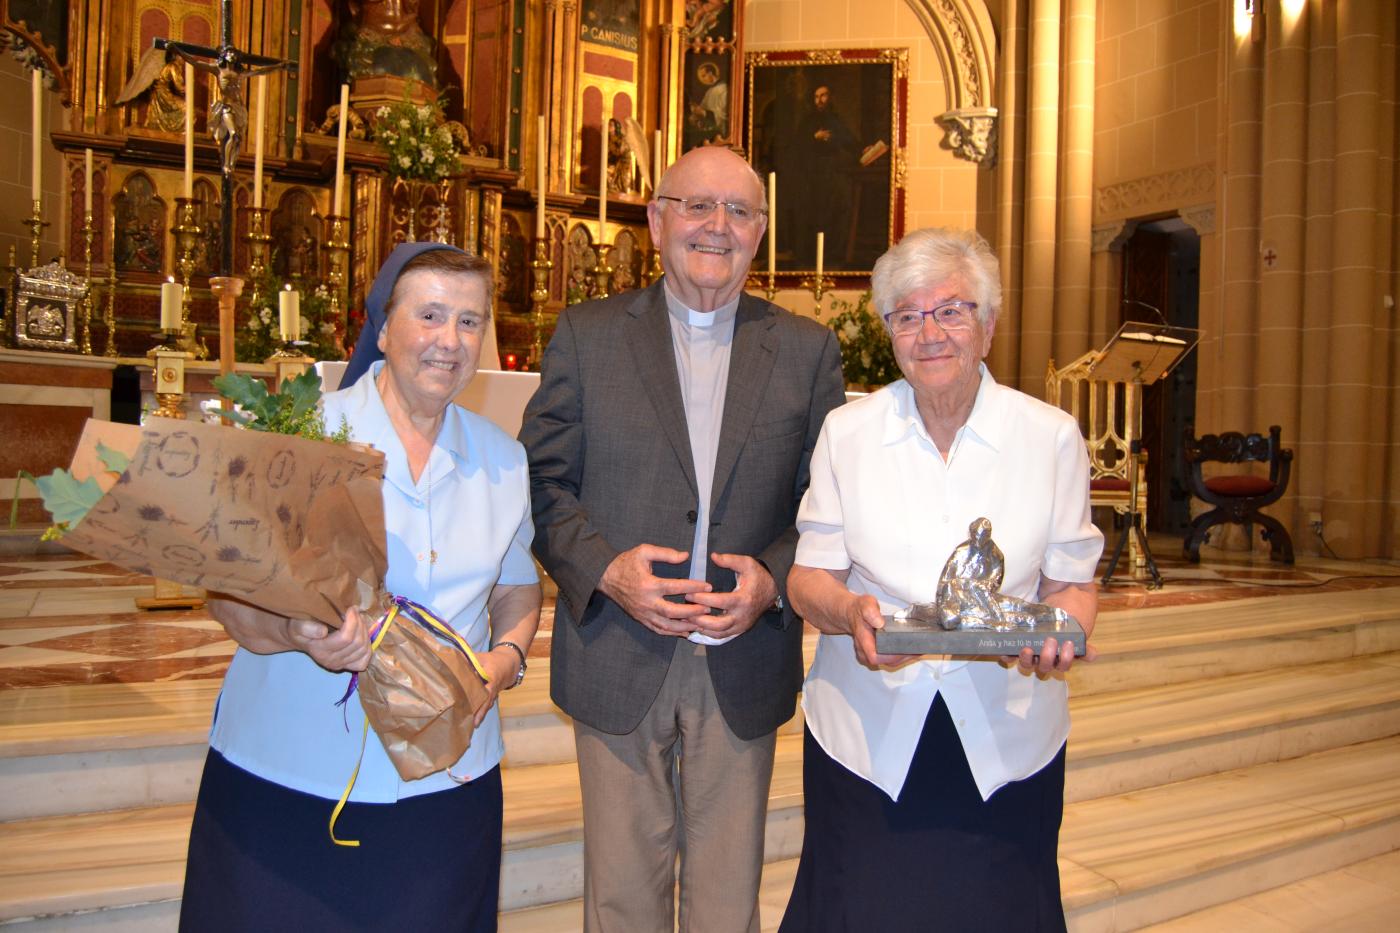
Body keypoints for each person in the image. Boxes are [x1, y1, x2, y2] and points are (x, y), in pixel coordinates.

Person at [519, 146, 845, 932]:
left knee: (728, 901)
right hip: (620, 647)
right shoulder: (588, 335)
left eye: (738, 211)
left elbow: (829, 502)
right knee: (623, 896)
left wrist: (772, 579)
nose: (716, 226)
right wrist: (606, 570)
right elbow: (539, 481)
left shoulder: (807, 352)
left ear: (760, 234)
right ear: (657, 219)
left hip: (743, 654)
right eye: (697, 205)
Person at [180, 244, 542, 931]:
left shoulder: (503, 457)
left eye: (470, 321)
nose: (451, 340)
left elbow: (518, 586)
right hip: (289, 777)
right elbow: (228, 599)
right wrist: (296, 634)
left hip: (446, 781)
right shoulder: (307, 434)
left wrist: (507, 658)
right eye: (431, 315)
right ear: (384, 328)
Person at [779, 227, 1104, 932]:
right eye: (906, 314)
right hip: (867, 734)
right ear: (890, 331)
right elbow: (807, 580)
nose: (929, 332)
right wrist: (849, 611)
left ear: (988, 325)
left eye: (951, 310)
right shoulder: (848, 432)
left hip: (1007, 735)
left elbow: (1074, 583)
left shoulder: (1050, 438)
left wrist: (1060, 634)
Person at [795, 85, 860, 267]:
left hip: (833, 176)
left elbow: (849, 141)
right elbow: (797, 146)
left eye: (823, 96)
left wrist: (862, 149)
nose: (819, 100)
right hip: (812, 178)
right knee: (815, 216)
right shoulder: (808, 121)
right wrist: (814, 137)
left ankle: (833, 256)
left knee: (836, 213)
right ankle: (810, 258)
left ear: (830, 97)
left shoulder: (835, 120)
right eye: (816, 97)